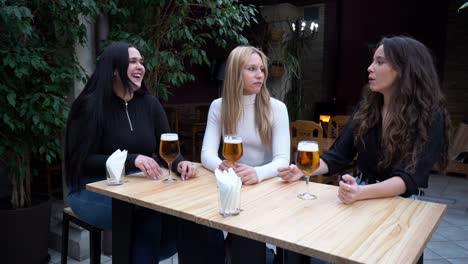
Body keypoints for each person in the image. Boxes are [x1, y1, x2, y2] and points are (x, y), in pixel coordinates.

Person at [279, 35, 449, 263]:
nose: (370, 68)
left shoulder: (430, 116)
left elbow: (409, 179)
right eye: (372, 61)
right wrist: (304, 170)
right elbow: (337, 156)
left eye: (380, 62)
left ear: (404, 69)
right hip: (360, 202)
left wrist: (361, 193)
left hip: (399, 209)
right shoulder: (368, 108)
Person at [64, 41, 197, 263]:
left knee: (179, 212)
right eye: (132, 61)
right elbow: (82, 161)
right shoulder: (89, 106)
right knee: (148, 213)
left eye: (141, 62)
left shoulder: (150, 104)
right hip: (91, 190)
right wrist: (131, 159)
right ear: (115, 69)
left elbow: (166, 149)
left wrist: (180, 163)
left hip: (137, 189)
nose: (140, 67)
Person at [179, 46, 291, 264]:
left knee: (246, 241)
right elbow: (207, 154)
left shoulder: (277, 108)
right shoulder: (219, 107)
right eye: (251, 69)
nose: (260, 74)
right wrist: (222, 166)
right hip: (229, 185)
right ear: (235, 73)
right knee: (191, 223)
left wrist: (256, 173)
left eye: (262, 69)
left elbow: (282, 160)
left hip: (263, 188)